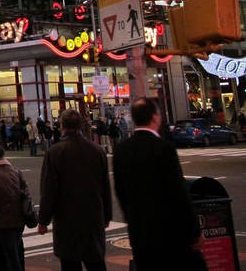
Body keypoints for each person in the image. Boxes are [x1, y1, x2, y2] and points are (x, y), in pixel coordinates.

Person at [113, 98, 206, 271]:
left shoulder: (121, 150)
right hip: (170, 233)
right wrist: (194, 231)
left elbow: (121, 193)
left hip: (140, 234)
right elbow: (178, 192)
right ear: (155, 117)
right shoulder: (163, 148)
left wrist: (133, 222)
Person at [38, 109, 112, 271]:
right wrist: (107, 215)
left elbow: (49, 189)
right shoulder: (97, 150)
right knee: (96, 262)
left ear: (62, 126)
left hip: (67, 219)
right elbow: (105, 186)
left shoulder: (55, 152)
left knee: (70, 263)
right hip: (93, 216)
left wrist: (43, 220)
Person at [0, 145, 26, 271]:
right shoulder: (16, 171)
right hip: (20, 216)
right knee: (16, 251)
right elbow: (25, 194)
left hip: (4, 220)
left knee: (10, 255)